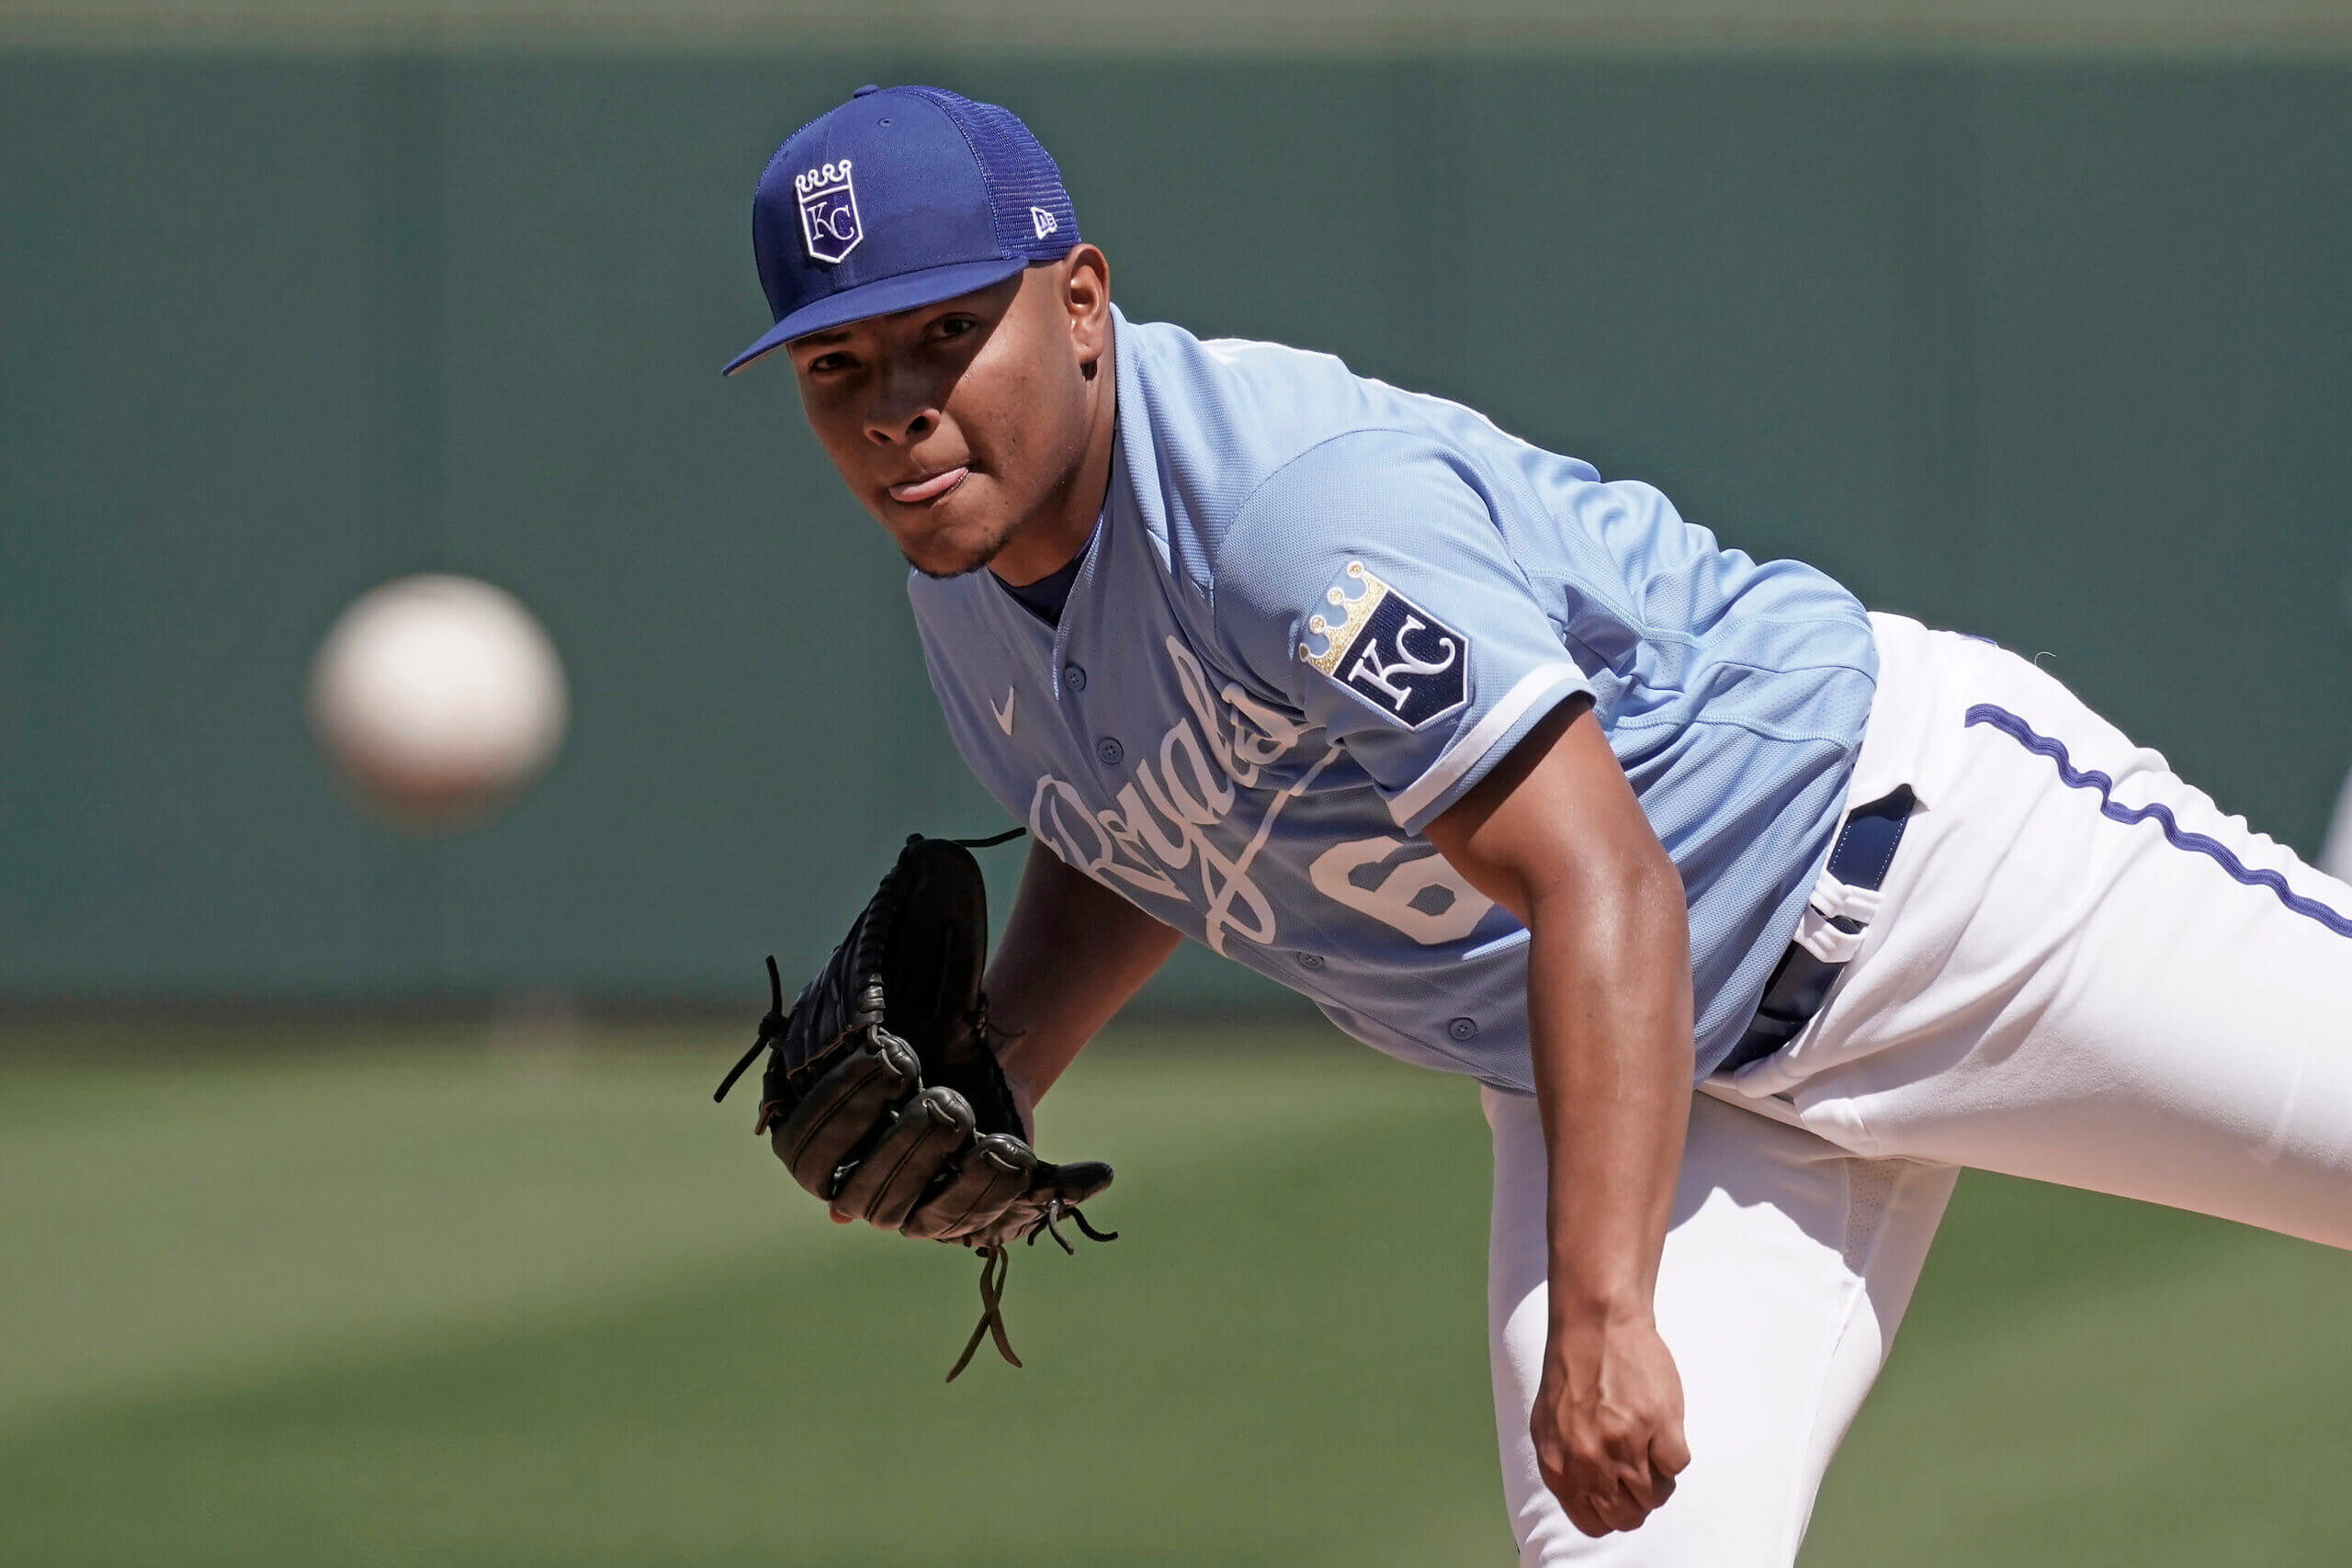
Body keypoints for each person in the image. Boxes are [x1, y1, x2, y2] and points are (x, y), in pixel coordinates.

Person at [724, 85, 2352, 1565]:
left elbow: (1602, 874)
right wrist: (1004, 1058)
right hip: (1647, 1084)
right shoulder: (968, 579)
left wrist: (1607, 1307)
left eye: (947, 332)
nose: (898, 408)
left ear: (1080, 302)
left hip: (1933, 883)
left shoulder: (1292, 518)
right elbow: (1143, 805)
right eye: (838, 365)